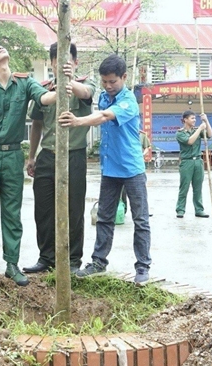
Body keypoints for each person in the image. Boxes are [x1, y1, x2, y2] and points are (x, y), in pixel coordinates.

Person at [0, 41, 57, 286]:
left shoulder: (25, 83)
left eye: (1, 46)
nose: (1, 48)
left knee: (12, 212)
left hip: (13, 154)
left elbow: (45, 97)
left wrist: (62, 91)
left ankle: (12, 264)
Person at [58, 54, 151, 284]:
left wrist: (78, 121)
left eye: (113, 82)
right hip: (109, 169)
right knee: (104, 218)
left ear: (124, 77)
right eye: (105, 82)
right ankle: (99, 262)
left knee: (140, 220)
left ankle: (142, 267)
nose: (108, 86)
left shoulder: (128, 101)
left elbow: (105, 117)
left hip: (131, 169)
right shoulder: (104, 97)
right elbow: (99, 107)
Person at [23, 42, 95, 275]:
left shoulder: (84, 85)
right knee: (43, 209)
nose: (60, 64)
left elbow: (87, 94)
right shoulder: (45, 91)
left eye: (66, 60)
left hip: (74, 155)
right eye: (56, 60)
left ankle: (73, 259)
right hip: (47, 155)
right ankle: (47, 257)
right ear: (51, 63)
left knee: (74, 209)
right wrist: (31, 156)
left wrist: (69, 82)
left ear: (75, 62)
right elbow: (36, 124)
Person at [175, 110, 212, 219]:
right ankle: (180, 209)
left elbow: (210, 134)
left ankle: (199, 209)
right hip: (187, 162)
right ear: (185, 120)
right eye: (192, 118)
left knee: (198, 187)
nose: (194, 120)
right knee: (184, 187)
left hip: (198, 161)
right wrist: (200, 128)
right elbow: (190, 141)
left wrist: (206, 121)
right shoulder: (180, 133)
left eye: (195, 118)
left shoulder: (197, 130)